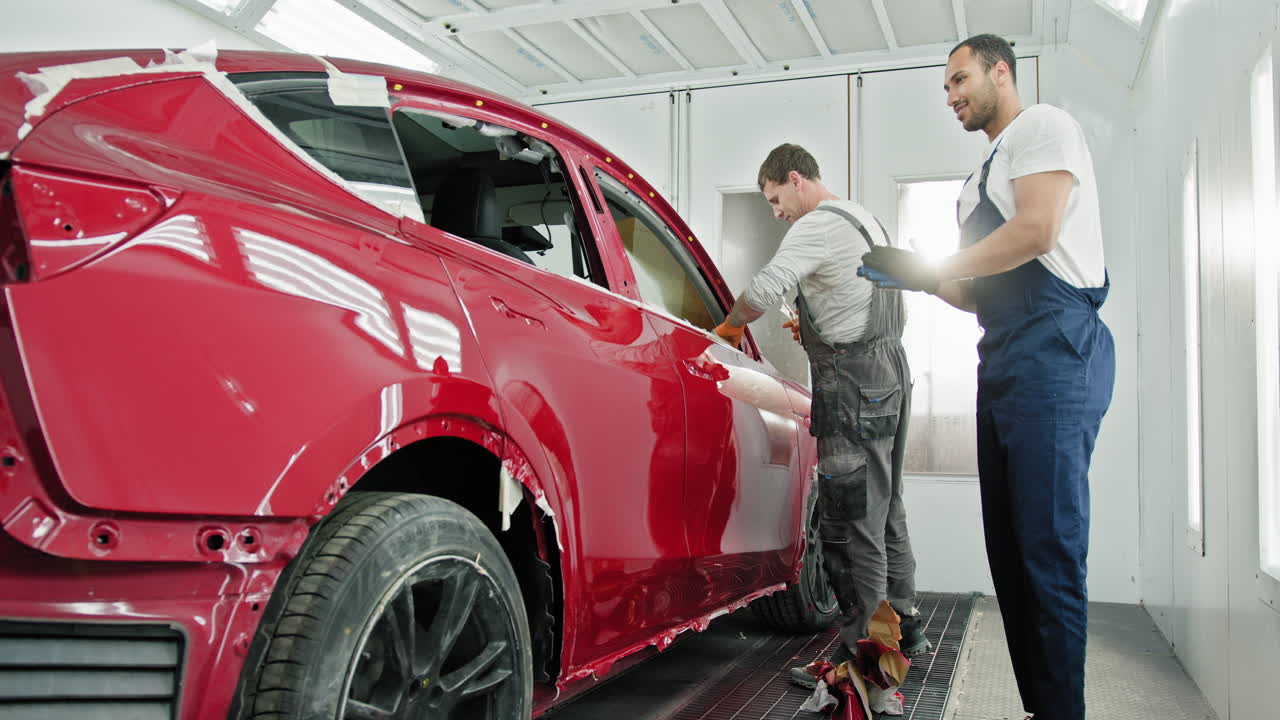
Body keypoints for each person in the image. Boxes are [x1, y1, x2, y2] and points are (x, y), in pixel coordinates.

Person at [859, 34, 1115, 720]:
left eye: (960, 79)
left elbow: (1036, 231)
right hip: (1003, 356)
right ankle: (1043, 707)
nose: (951, 96)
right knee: (1011, 554)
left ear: (1002, 72)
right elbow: (977, 293)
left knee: (1048, 551)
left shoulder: (1042, 128)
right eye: (945, 88)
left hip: (1055, 349)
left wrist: (941, 266)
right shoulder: (978, 182)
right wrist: (922, 280)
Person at [713, 144, 931, 681]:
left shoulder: (813, 227)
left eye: (774, 198)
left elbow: (764, 288)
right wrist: (817, 327)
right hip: (888, 372)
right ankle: (907, 631)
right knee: (885, 509)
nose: (776, 211)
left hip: (852, 387)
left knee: (849, 522)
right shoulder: (863, 217)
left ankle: (868, 661)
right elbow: (860, 296)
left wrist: (728, 329)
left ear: (794, 179)